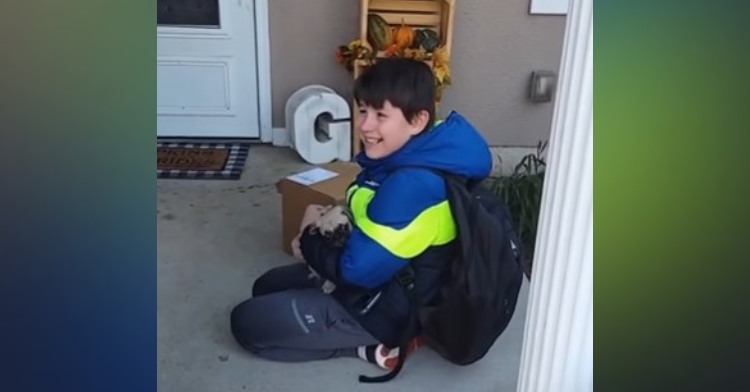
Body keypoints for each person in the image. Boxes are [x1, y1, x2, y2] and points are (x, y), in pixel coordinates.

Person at [230, 58, 493, 372]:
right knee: (265, 286)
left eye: (381, 115)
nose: (365, 125)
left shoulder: (412, 183)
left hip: (383, 304)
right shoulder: (417, 149)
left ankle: (371, 347)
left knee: (246, 323)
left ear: (417, 120)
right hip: (389, 272)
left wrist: (312, 239)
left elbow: (355, 271)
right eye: (364, 110)